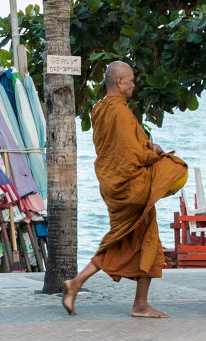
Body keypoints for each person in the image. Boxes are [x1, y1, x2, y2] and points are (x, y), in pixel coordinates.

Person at [62, 61, 188, 318]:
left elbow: (125, 145)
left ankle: (137, 303)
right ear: (119, 82)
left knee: (143, 240)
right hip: (128, 186)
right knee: (177, 166)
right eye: (130, 80)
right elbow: (130, 155)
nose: (133, 85)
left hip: (112, 184)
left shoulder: (100, 109)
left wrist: (148, 146)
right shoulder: (118, 111)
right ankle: (82, 285)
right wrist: (155, 155)